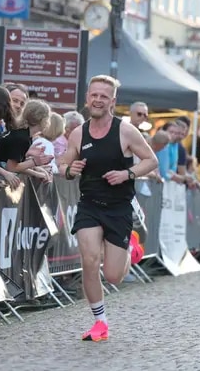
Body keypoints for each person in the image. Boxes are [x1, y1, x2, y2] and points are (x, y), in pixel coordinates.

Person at [57, 74, 158, 342]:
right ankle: (100, 322)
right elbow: (63, 165)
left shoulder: (126, 131)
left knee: (113, 276)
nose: (98, 100)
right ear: (87, 98)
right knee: (89, 261)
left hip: (118, 207)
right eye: (94, 95)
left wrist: (128, 174)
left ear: (112, 101)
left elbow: (151, 160)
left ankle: (130, 244)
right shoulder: (79, 133)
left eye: (104, 96)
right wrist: (71, 169)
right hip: (89, 204)